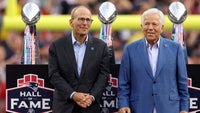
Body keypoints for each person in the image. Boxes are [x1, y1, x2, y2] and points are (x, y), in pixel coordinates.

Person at [117, 8, 189, 113]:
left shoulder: (176, 48)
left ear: (162, 28)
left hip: (169, 108)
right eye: (146, 24)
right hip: (139, 108)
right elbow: (123, 83)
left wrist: (184, 108)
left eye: (154, 24)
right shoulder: (129, 49)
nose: (150, 28)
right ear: (142, 27)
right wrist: (123, 104)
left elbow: (182, 82)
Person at [48, 6, 110, 113]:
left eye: (88, 20)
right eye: (81, 19)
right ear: (71, 22)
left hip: (90, 107)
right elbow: (54, 75)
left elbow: (103, 75)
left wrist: (91, 97)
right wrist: (73, 95)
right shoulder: (57, 46)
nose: (85, 23)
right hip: (64, 107)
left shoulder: (101, 46)